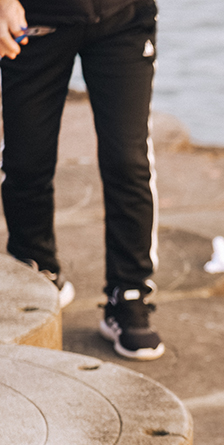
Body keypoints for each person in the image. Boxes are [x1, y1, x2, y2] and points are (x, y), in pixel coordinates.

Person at [0, 0, 164, 360]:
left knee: (128, 160)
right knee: (26, 160)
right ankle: (37, 267)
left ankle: (129, 293)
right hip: (33, 21)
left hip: (124, 19)